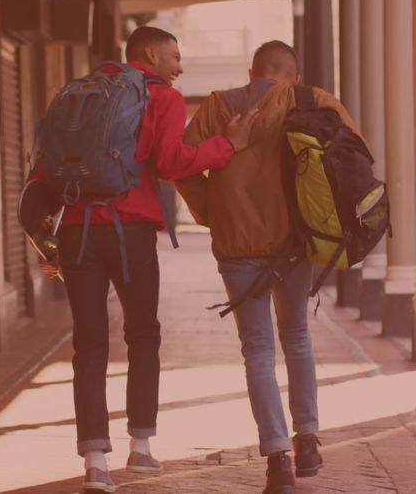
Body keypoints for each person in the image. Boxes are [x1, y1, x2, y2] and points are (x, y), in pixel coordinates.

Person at [37, 26, 258, 492]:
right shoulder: (161, 96)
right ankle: (141, 450)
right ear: (152, 54)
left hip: (76, 231)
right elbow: (172, 163)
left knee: (88, 344)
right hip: (130, 230)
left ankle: (94, 463)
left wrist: (47, 239)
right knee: (142, 335)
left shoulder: (79, 93)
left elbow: (44, 169)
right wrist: (227, 147)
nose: (179, 68)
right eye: (175, 57)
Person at [176, 40, 361, 494]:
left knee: (256, 349)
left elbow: (180, 166)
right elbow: (354, 156)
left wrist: (211, 213)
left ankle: (277, 458)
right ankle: (309, 440)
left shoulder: (220, 105)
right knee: (296, 335)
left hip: (238, 244)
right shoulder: (313, 101)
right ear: (292, 76)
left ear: (252, 71)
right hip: (295, 241)